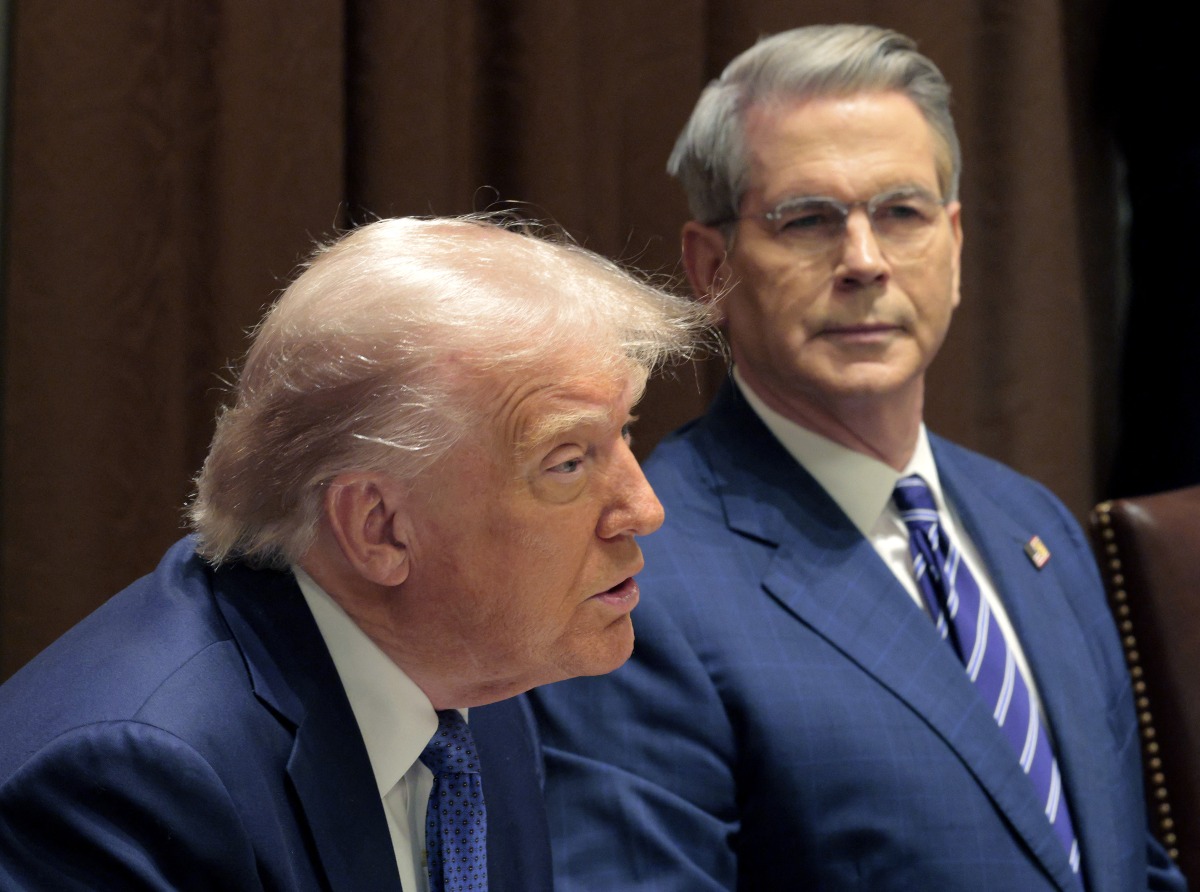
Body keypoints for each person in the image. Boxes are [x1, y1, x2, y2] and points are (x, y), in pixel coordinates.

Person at [528, 24, 1187, 891]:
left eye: (903, 213)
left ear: (955, 245)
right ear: (713, 266)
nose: (865, 262)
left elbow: (1132, 864)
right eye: (808, 220)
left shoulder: (1037, 525)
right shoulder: (636, 580)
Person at [0, 216, 706, 891]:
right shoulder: (133, 784)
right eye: (568, 462)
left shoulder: (474, 682)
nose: (644, 509)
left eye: (623, 434)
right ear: (378, 529)